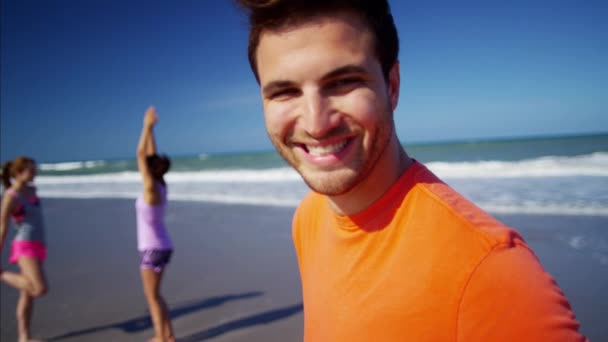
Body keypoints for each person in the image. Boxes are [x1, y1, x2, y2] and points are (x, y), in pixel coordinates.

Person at [237, 0, 587, 340]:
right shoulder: (309, 216)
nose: (316, 123)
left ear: (392, 85)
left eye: (343, 82)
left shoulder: (490, 272)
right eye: (285, 92)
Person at [136, 106, 175, 342]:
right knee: (156, 295)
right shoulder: (161, 184)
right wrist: (151, 131)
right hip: (162, 245)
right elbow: (149, 155)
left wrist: (146, 126)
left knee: (152, 297)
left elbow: (142, 156)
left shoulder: (151, 189)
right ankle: (167, 335)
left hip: (151, 249)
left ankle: (161, 337)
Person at [0, 157, 48, 342]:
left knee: (27, 294)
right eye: (30, 170)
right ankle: (2, 275)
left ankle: (24, 337)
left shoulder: (32, 190)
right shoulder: (11, 197)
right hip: (24, 246)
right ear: (18, 173)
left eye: (35, 169)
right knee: (39, 289)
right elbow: (2, 227)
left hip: (38, 245)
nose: (34, 173)